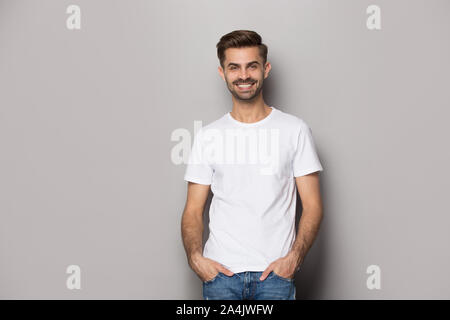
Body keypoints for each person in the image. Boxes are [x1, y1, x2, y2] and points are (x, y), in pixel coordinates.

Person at [181, 30, 324, 300]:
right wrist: (195, 259)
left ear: (265, 69)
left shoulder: (295, 130)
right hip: (221, 277)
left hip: (275, 278)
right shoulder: (207, 136)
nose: (244, 75)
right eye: (234, 67)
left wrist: (294, 259)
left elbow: (313, 207)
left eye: (252, 66)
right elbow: (192, 210)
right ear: (222, 73)